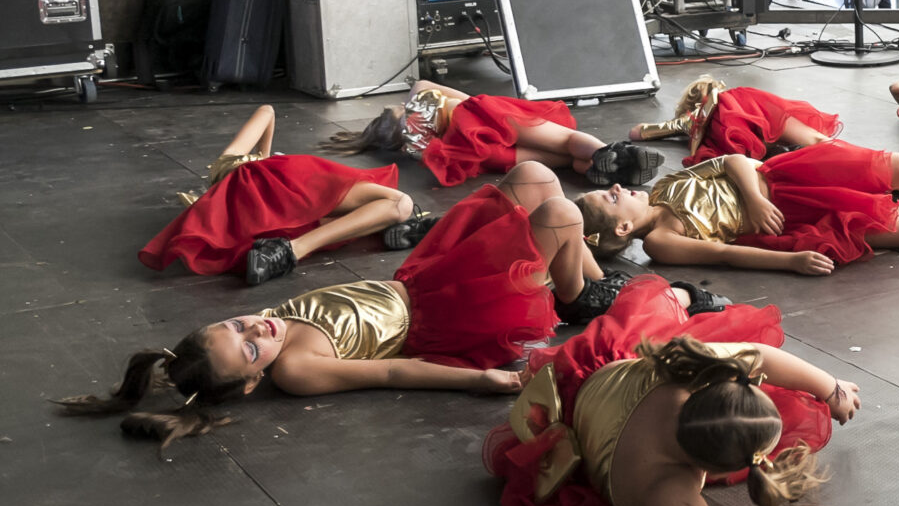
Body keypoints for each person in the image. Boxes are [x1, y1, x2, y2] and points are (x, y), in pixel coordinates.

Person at [66, 177, 576, 444]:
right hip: (450, 316)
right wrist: (479, 380)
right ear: (251, 382)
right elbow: (392, 371)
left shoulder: (275, 326)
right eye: (250, 348)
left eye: (237, 323)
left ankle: (581, 273)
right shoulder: (295, 369)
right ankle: (577, 285)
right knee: (556, 213)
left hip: (425, 277)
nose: (256, 326)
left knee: (529, 179)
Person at [482, 276, 864, 506]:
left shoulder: (677, 368)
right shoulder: (665, 487)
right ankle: (686, 298)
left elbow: (760, 356)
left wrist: (832, 388)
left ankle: (682, 297)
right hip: (595, 424)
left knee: (658, 314)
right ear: (708, 471)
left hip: (591, 381)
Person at [141, 103, 428, 286]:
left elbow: (266, 113)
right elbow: (267, 110)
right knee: (399, 201)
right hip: (285, 177)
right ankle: (295, 250)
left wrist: (259, 158)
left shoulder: (224, 173)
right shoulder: (234, 163)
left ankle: (391, 227)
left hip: (262, 205)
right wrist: (264, 157)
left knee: (342, 216)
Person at [577, 143, 899, 275]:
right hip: (797, 217)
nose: (618, 186)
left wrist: (754, 198)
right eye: (611, 197)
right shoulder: (660, 241)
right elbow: (723, 254)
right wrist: (792, 261)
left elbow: (732, 160)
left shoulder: (664, 187)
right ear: (623, 228)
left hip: (790, 175)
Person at [332, 79, 657, 191]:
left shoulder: (409, 145)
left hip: (475, 152)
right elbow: (460, 95)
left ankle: (599, 170)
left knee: (560, 159)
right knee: (567, 140)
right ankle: (613, 155)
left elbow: (435, 155)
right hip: (480, 116)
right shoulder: (418, 95)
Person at [628, 78, 855, 162]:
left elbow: (638, 132)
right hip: (761, 115)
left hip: (741, 141)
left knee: (787, 159)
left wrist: (679, 126)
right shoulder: (741, 94)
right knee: (817, 140)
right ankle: (871, 166)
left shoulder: (695, 119)